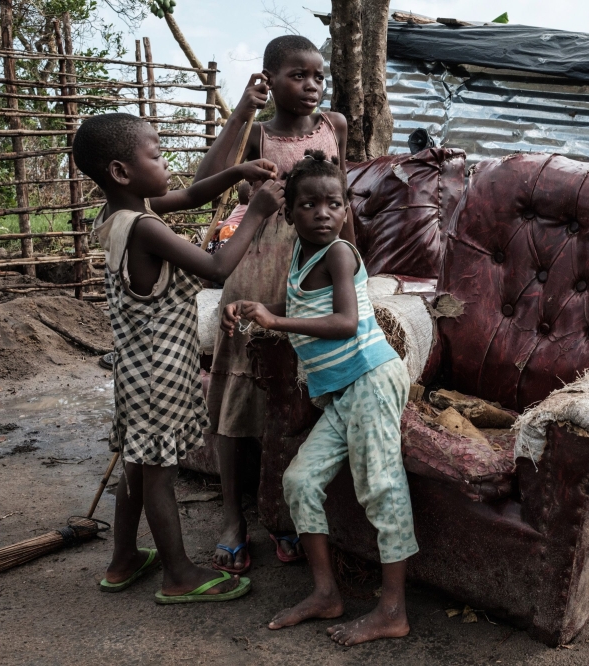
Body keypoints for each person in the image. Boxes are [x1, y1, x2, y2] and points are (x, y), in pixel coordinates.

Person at [73, 112, 285, 602]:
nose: (167, 163)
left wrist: (235, 173)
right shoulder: (146, 228)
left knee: (136, 463)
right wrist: (255, 213)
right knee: (158, 476)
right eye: (157, 154)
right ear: (122, 171)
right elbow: (216, 265)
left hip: (135, 367)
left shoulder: (118, 215)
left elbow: (189, 196)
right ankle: (178, 574)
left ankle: (124, 558)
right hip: (159, 372)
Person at [222, 151, 416, 645]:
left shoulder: (339, 253)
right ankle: (326, 593)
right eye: (309, 204)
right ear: (289, 213)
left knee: (381, 487)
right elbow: (307, 305)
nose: (323, 213)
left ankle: (393, 611)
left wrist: (276, 322)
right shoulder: (300, 253)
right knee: (300, 480)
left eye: (334, 203)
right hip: (341, 392)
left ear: (346, 210)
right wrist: (259, 306)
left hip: (372, 379)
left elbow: (344, 323)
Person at [193, 35, 355, 573]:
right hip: (258, 273)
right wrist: (242, 110)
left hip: (315, 274)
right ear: (269, 77)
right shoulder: (257, 133)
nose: (310, 86)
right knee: (242, 400)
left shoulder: (335, 126)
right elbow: (201, 181)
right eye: (296, 75)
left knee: (297, 396)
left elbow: (342, 198)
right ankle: (233, 518)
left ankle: (280, 514)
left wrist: (356, 267)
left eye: (318, 76)